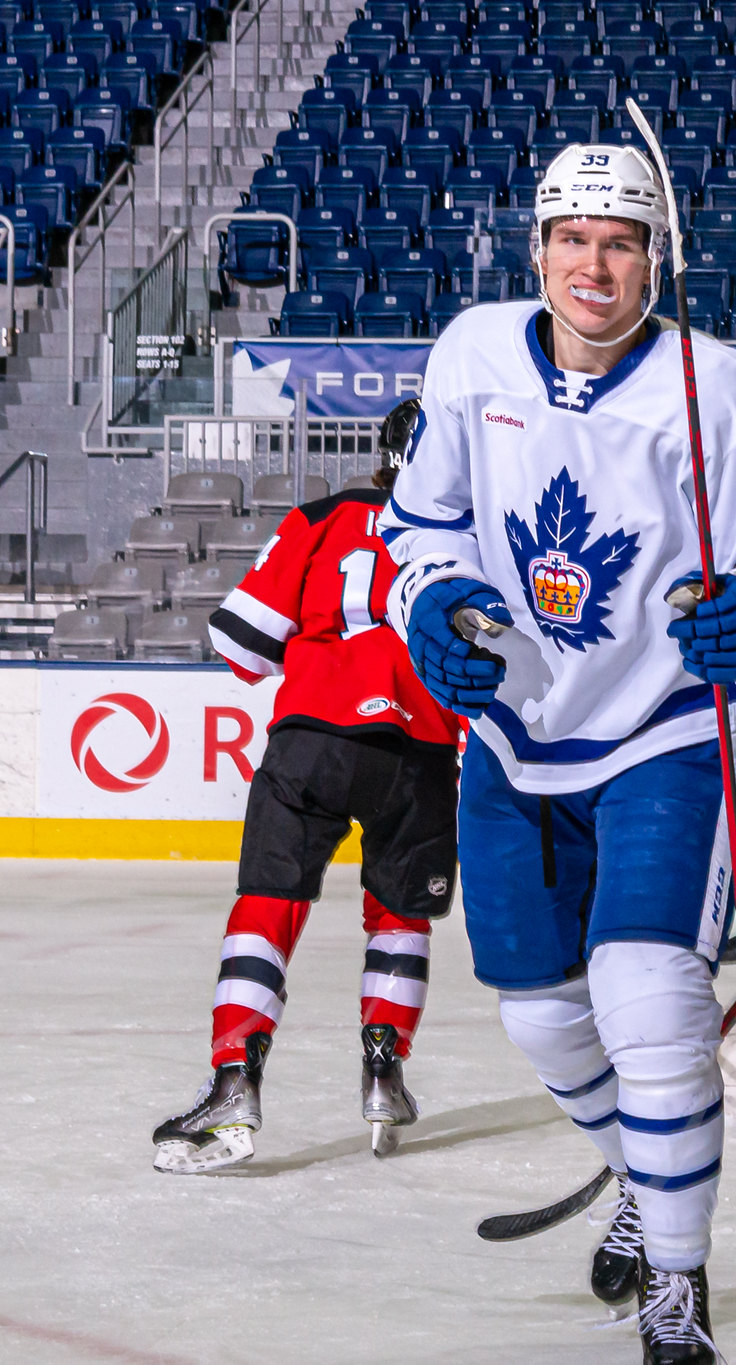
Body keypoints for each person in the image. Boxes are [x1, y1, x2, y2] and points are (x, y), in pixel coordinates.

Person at [378, 143, 736, 1362]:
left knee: (651, 1004)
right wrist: (428, 606)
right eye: (573, 238)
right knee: (538, 1018)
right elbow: (416, 531)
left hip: (667, 731)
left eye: (621, 240)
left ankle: (676, 1289)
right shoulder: (473, 354)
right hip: (514, 737)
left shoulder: (720, 385)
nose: (594, 262)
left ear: (654, 258)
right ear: (536, 249)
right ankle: (642, 1174)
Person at [154, 399, 462, 1174]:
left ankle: (234, 1082)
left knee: (269, 901)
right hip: (420, 748)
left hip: (315, 736)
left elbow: (243, 647)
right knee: (400, 916)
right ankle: (385, 1073)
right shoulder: (469, 540)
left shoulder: (320, 518)